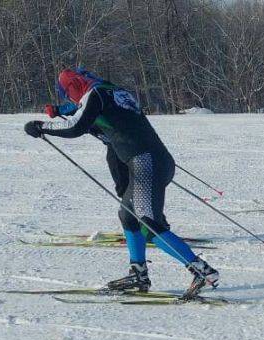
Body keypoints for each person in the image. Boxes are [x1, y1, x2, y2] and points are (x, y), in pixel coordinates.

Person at [24, 68, 219, 299]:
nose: (71, 98)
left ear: (74, 87)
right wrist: (60, 111)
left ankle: (201, 270)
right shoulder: (113, 91)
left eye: (69, 93)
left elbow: (76, 125)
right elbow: (82, 112)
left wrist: (40, 126)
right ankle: (138, 273)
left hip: (144, 163)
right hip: (156, 161)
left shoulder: (94, 95)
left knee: (148, 224)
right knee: (128, 215)